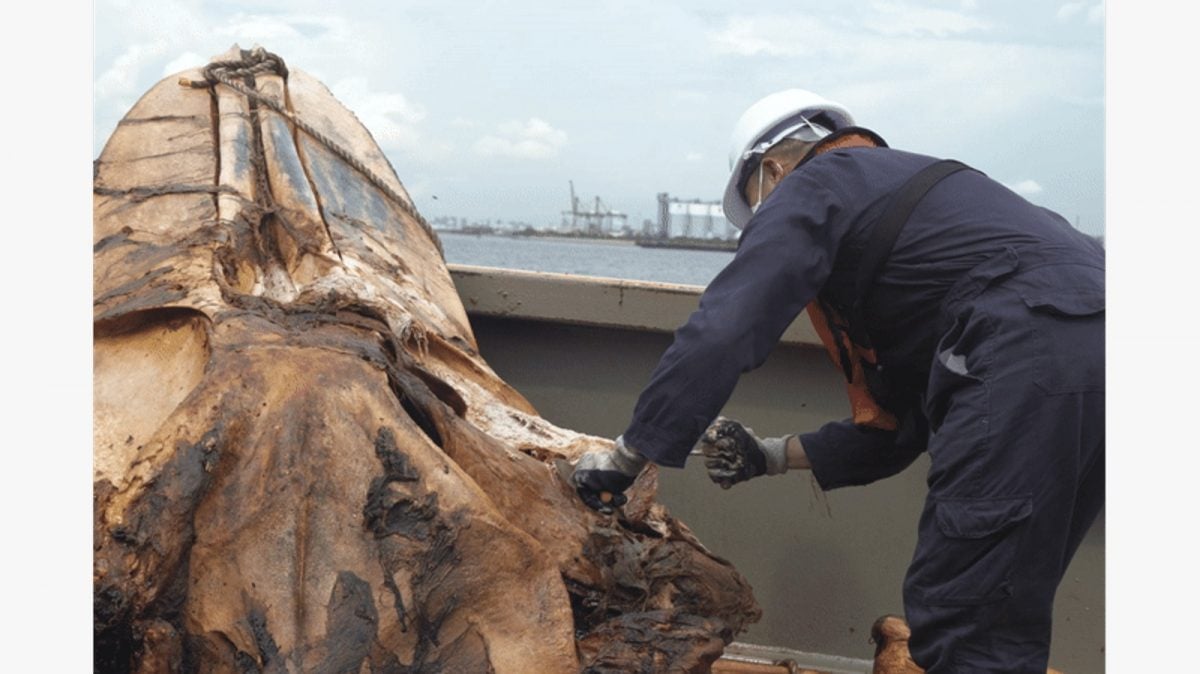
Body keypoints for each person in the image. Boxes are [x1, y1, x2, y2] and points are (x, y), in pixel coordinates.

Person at [568, 89, 1104, 672]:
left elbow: (725, 326)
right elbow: (897, 429)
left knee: (964, 619)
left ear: (772, 170)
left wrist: (630, 454)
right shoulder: (926, 206)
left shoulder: (818, 182)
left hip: (1026, 354)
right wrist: (767, 455)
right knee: (1003, 600)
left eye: (759, 207)